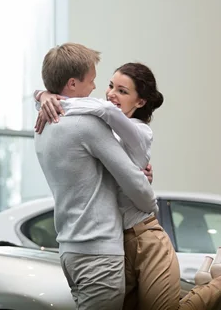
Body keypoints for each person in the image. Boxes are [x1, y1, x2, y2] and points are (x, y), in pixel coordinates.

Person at [34, 61, 221, 309]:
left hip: (144, 236)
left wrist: (52, 99)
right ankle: (211, 291)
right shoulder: (99, 124)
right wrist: (44, 95)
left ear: (140, 102)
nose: (111, 94)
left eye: (122, 91)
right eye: (110, 85)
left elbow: (104, 112)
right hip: (114, 242)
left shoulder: (137, 131)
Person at [34, 43, 159, 309]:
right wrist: (150, 201)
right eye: (91, 81)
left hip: (69, 249)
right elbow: (133, 180)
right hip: (98, 252)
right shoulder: (87, 125)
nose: (95, 89)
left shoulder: (43, 123)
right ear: (71, 84)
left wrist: (42, 95)